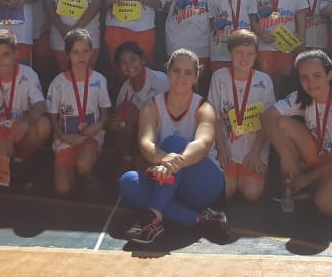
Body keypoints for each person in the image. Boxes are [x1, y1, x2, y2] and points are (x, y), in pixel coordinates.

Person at [118, 48, 229, 244]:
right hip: (167, 180)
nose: (181, 77)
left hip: (202, 182)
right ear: (168, 72)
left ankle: (153, 217)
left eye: (188, 72)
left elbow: (202, 144)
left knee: (173, 142)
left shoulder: (204, 107)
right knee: (128, 182)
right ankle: (200, 221)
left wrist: (172, 162)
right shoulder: (151, 105)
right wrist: (164, 159)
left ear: (196, 77)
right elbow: (145, 142)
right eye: (176, 71)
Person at [263, 50, 332, 215]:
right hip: (323, 152)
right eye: (304, 78)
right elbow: (268, 116)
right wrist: (284, 153)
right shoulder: (302, 96)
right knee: (281, 123)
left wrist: (308, 177)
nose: (311, 83)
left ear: (329, 74)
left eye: (317, 76)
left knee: (326, 204)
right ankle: (314, 184)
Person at [0, 30, 52, 184]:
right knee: (0, 178)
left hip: (19, 127)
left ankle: (18, 161)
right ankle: (1, 168)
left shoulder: (28, 73)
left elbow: (41, 104)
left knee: (44, 125)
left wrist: (26, 121)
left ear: (16, 54)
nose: (0, 60)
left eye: (6, 54)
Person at [207, 30, 275, 202]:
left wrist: (256, 153)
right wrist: (221, 148)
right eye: (239, 53)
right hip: (226, 147)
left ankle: (245, 171)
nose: (244, 58)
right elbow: (213, 117)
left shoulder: (264, 81)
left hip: (253, 148)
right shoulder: (219, 77)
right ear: (230, 53)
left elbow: (268, 122)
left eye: (249, 53)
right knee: (225, 191)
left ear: (256, 55)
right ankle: (231, 174)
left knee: (251, 193)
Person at [47, 29, 112, 197]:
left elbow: (105, 113)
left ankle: (88, 171)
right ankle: (72, 169)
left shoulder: (99, 80)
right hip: (66, 138)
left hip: (90, 136)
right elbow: (52, 117)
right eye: (75, 52)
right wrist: (62, 136)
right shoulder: (58, 83)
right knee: (62, 189)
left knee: (83, 164)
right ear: (67, 55)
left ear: (91, 52)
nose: (81, 56)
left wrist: (98, 126)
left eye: (85, 51)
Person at [109, 42, 169, 171]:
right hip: (139, 139)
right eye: (123, 62)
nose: (129, 65)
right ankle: (127, 158)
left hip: (163, 134)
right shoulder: (125, 89)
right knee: (123, 112)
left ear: (142, 59)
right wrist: (115, 124)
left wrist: (140, 116)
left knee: (143, 165)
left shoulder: (161, 80)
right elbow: (119, 120)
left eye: (133, 59)